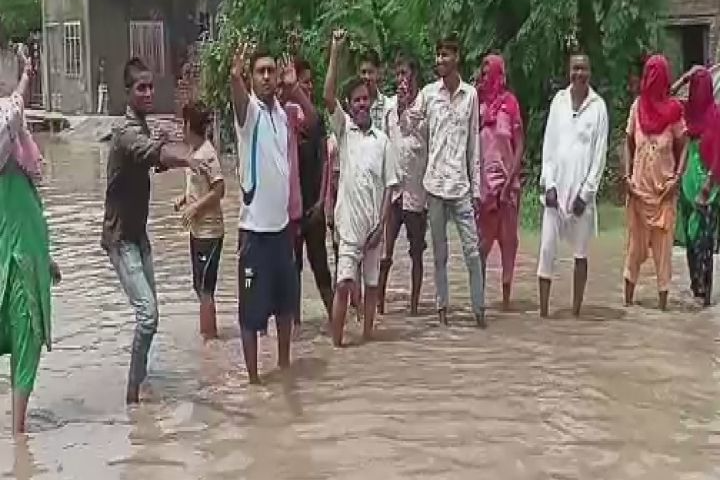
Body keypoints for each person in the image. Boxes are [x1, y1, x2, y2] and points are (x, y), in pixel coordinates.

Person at [102, 57, 198, 404]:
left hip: (138, 236)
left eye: (150, 86)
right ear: (127, 92)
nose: (147, 93)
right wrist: (187, 158)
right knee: (148, 315)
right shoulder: (126, 132)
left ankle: (142, 381)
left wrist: (165, 148)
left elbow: (151, 160)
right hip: (120, 239)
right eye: (140, 88)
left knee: (151, 315)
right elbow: (149, 154)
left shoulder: (142, 127)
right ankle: (132, 395)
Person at [232, 43, 315, 383]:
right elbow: (237, 99)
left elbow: (313, 121)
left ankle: (283, 368)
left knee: (284, 307)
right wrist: (234, 78)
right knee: (251, 316)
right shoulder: (248, 114)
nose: (266, 76)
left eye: (270, 71)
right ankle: (253, 381)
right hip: (254, 235)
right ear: (252, 79)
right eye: (260, 72)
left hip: (282, 233)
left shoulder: (283, 114)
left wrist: (294, 86)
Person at [324, 29, 398, 346]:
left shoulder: (383, 141)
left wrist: (381, 227)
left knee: (371, 288)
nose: (361, 104)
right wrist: (336, 52)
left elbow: (390, 189)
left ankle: (367, 341)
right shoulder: (344, 131)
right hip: (349, 228)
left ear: (372, 101)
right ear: (350, 106)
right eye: (356, 101)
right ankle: (338, 344)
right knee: (343, 285)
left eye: (365, 99)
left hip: (374, 230)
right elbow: (328, 96)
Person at [0, 46, 59, 435]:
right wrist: (23, 80)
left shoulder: (16, 158)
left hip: (30, 252)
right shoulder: (4, 143)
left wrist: (48, 255)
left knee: (28, 337)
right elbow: (11, 116)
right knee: (25, 332)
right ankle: (18, 433)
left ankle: (17, 430)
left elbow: (32, 206)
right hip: (16, 256)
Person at [407, 34, 485, 327]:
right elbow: (409, 125)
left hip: (461, 186)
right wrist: (406, 104)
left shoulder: (471, 95)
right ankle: (442, 309)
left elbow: (473, 144)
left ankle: (479, 309)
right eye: (437, 55)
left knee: (472, 251)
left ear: (457, 58)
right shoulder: (428, 94)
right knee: (440, 253)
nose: (439, 60)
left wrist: (476, 188)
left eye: (445, 55)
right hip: (435, 185)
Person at [537, 53, 608, 318]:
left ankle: (576, 311)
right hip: (556, 192)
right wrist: (549, 184)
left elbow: (599, 156)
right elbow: (549, 147)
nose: (579, 73)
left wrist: (587, 193)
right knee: (546, 250)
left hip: (581, 194)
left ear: (590, 72)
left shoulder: (598, 107)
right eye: (575, 68)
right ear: (568, 71)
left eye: (584, 69)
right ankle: (544, 313)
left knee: (580, 255)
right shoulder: (559, 101)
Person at [624, 54, 688, 310]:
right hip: (638, 192)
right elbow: (628, 142)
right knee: (634, 251)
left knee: (663, 256)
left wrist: (677, 178)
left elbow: (685, 146)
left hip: (664, 194)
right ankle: (627, 305)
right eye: (649, 73)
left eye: (657, 73)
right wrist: (627, 176)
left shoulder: (674, 112)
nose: (652, 79)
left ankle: (663, 306)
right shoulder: (637, 108)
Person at [377, 52, 428, 316]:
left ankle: (415, 306)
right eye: (397, 75)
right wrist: (399, 108)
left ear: (415, 76)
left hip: (418, 192)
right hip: (394, 191)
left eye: (404, 74)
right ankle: (379, 305)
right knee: (385, 252)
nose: (401, 81)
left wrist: (408, 108)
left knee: (416, 252)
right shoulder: (389, 108)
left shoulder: (424, 105)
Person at [473, 54, 524, 310]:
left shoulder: (510, 104)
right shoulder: (476, 104)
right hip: (483, 190)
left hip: (507, 187)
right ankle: (479, 300)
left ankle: (506, 301)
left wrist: (510, 180)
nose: (483, 77)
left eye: (487, 72)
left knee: (508, 245)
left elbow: (519, 144)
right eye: (481, 73)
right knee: (480, 247)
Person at [173, 101, 225, 339]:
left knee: (206, 289)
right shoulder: (194, 153)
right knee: (199, 286)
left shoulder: (208, 154)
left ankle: (210, 340)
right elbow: (198, 187)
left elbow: (219, 190)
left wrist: (194, 208)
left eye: (182, 123)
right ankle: (208, 335)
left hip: (210, 233)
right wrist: (184, 199)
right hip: (197, 231)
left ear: (188, 126)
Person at [674, 66, 720, 306]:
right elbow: (665, 99)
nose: (697, 91)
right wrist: (684, 78)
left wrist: (709, 182)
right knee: (691, 241)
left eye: (700, 85)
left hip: (708, 188)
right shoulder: (685, 113)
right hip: (686, 185)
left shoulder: (716, 115)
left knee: (705, 240)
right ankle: (696, 288)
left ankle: (705, 292)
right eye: (695, 86)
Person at [292, 59, 334, 321]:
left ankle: (334, 318)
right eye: (303, 82)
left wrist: (322, 202)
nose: (308, 87)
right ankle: (294, 328)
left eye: (309, 82)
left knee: (321, 268)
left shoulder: (316, 120)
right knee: (291, 271)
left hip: (314, 207)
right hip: (291, 212)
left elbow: (326, 164)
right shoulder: (284, 117)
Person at [359, 48, 390, 131]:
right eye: (363, 72)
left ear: (378, 73)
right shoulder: (353, 105)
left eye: (370, 72)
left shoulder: (388, 105)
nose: (367, 77)